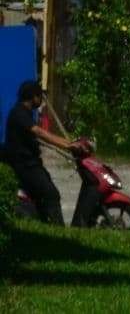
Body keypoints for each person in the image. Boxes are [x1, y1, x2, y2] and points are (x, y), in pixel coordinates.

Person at [4, 81, 82, 225]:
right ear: (33, 97)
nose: (41, 100)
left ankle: (44, 224)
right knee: (51, 194)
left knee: (45, 193)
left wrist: (69, 144)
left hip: (31, 165)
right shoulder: (19, 113)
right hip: (25, 166)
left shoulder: (24, 113)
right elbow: (40, 133)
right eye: (40, 96)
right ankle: (57, 232)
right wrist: (68, 145)